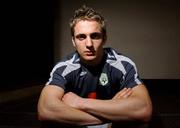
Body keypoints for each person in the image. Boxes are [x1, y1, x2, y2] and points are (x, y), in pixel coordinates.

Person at [37, 5, 152, 128]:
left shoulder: (122, 64)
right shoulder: (64, 68)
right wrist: (111, 116)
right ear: (73, 41)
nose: (89, 44)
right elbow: (46, 110)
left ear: (104, 38)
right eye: (81, 37)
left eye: (95, 36)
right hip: (107, 124)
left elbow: (143, 109)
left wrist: (79, 103)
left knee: (141, 124)